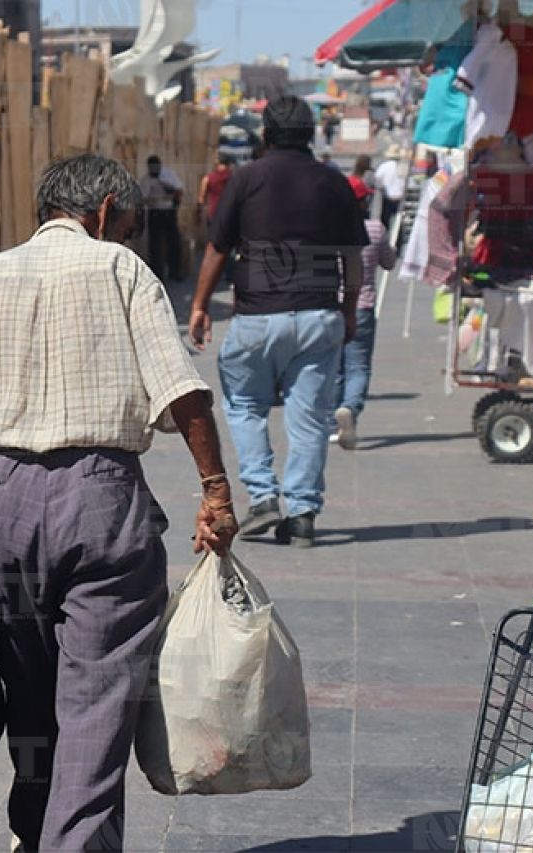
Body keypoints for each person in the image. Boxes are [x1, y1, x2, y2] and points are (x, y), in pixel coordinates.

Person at [0, 153, 237, 853]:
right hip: (101, 503)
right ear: (100, 212)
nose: (124, 239)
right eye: (123, 225)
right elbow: (179, 389)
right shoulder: (121, 271)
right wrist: (214, 488)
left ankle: (33, 834)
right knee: (95, 707)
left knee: (31, 695)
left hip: (0, 506)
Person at [189, 95, 368, 548]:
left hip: (258, 316)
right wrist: (348, 313)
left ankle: (264, 497)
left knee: (245, 405)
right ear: (312, 136)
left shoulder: (246, 179)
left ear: (265, 135)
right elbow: (353, 258)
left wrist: (199, 306)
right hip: (318, 316)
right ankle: (303, 514)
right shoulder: (335, 183)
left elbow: (217, 248)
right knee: (309, 417)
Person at [333, 208, 397, 450]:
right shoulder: (375, 228)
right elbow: (389, 262)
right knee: (358, 365)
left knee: (336, 367)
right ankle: (349, 408)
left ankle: (333, 421)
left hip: (332, 305)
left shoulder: (330, 227)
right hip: (363, 304)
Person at [142, 154, 184, 281]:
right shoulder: (146, 179)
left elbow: (179, 190)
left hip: (168, 211)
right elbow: (143, 197)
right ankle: (157, 273)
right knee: (154, 244)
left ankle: (175, 271)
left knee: (174, 242)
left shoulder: (168, 175)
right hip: (154, 212)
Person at [373, 145, 407, 229]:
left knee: (385, 222)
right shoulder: (403, 167)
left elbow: (377, 178)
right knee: (399, 223)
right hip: (400, 198)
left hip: (388, 197)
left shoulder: (384, 166)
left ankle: (384, 239)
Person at [198, 153, 235, 228]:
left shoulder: (207, 178)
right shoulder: (235, 177)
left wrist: (198, 212)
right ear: (229, 164)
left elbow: (201, 198)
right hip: (231, 213)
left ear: (216, 164)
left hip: (214, 213)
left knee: (212, 238)